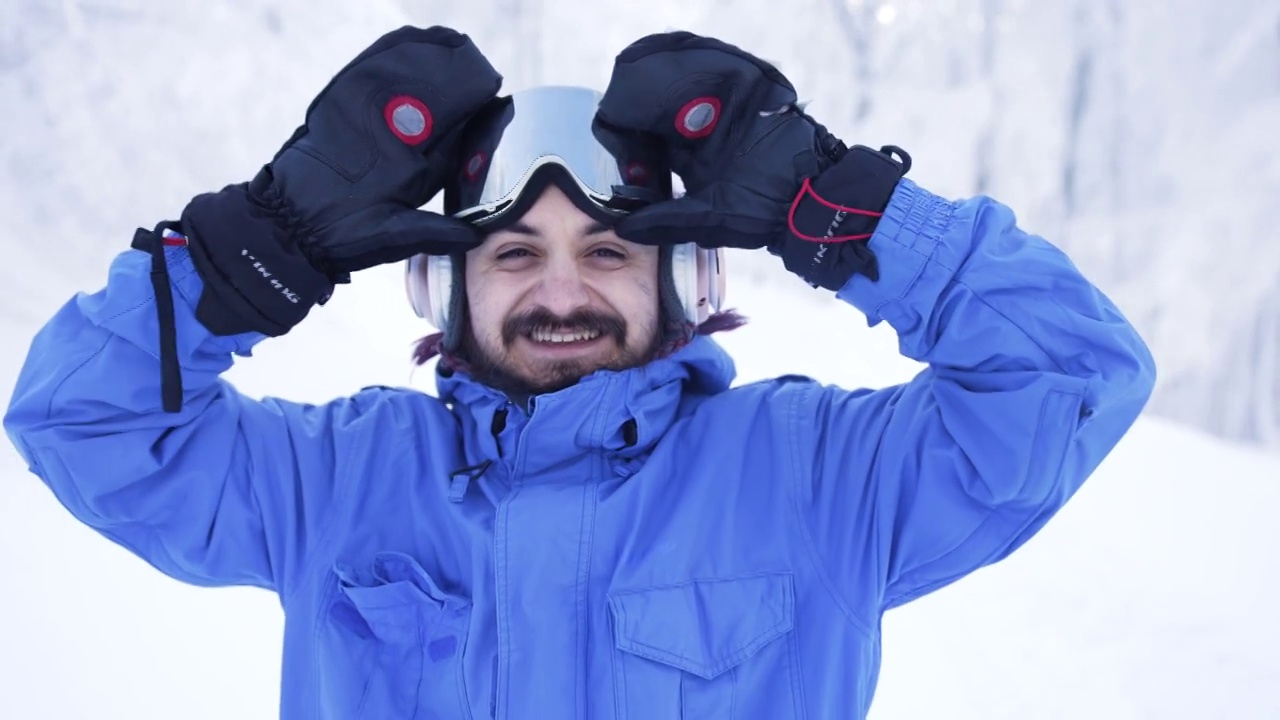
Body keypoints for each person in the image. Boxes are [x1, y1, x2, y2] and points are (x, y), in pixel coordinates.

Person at [4, 25, 1155, 720]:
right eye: (511, 254)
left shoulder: (815, 482)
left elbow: (1070, 369)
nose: (561, 293)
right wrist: (255, 246)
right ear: (443, 287)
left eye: (607, 251)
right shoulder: (339, 483)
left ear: (683, 282)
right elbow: (81, 421)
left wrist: (844, 212)